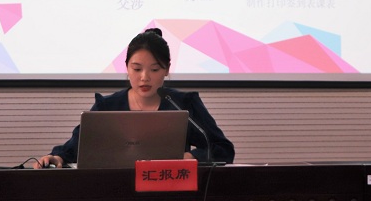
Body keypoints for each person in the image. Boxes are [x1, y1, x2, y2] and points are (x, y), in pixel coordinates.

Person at [33, 28, 235, 168]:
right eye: (137, 69)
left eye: (154, 69)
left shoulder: (182, 104)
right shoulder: (107, 106)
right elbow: (76, 147)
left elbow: (223, 149)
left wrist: (191, 156)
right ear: (127, 68)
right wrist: (57, 157)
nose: (144, 77)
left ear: (166, 70)